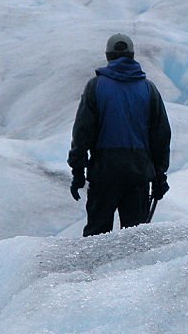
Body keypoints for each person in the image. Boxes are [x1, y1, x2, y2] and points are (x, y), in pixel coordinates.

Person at [68, 34, 172, 236]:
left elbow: (82, 132)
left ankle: (93, 268)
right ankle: (135, 269)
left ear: (108, 56)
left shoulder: (96, 87)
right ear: (132, 56)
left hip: (104, 171)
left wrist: (78, 171)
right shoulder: (148, 89)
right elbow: (161, 135)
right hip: (139, 172)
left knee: (97, 234)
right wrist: (160, 175)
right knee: (134, 238)